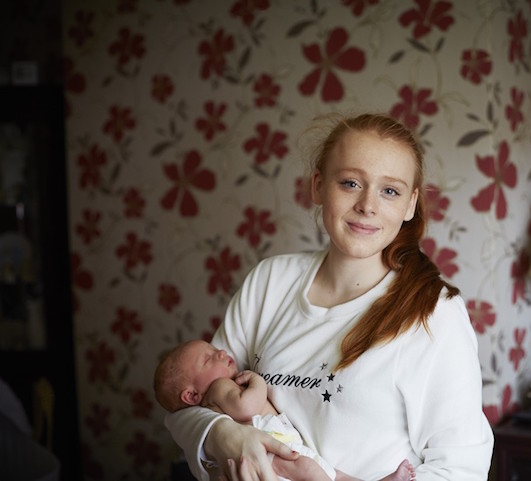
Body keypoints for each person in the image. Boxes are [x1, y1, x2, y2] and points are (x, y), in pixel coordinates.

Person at [164, 112, 494, 481]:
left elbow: (461, 471)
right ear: (318, 186)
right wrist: (226, 435)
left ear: (410, 204)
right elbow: (190, 404)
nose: (368, 205)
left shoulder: (435, 316)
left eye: (390, 191)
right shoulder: (269, 282)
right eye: (351, 183)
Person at [154, 339, 415, 481]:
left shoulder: (216, 393)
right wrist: (258, 382)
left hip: (277, 448)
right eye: (209, 358)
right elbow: (247, 407)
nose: (221, 352)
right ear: (191, 395)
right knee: (319, 473)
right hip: (270, 451)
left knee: (332, 474)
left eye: (214, 349)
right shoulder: (220, 388)